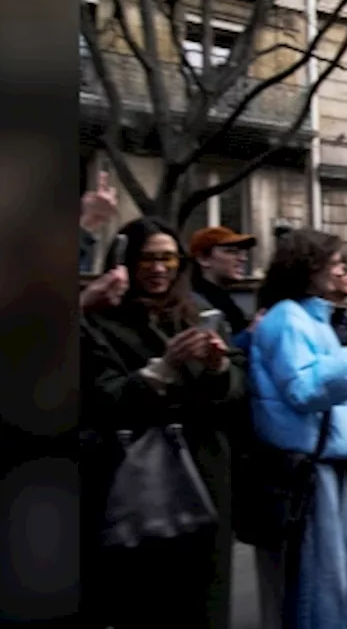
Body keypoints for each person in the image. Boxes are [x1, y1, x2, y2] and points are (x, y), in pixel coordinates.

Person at [80, 217, 245, 629]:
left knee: (205, 602)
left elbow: (238, 394)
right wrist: (163, 369)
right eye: (148, 259)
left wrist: (218, 366)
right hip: (143, 483)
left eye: (168, 259)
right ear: (127, 263)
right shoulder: (100, 323)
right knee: (148, 602)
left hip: (207, 478)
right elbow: (104, 399)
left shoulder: (198, 315)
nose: (158, 269)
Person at [250, 228, 347, 629]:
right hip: (309, 469)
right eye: (336, 263)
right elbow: (304, 390)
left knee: (339, 575)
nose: (343, 271)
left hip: (326, 464)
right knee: (320, 582)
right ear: (310, 268)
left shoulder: (308, 318)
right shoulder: (288, 319)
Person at [189, 225, 257, 338]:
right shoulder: (194, 304)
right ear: (203, 259)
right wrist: (250, 334)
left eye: (243, 253)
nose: (243, 259)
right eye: (231, 252)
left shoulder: (221, 299)